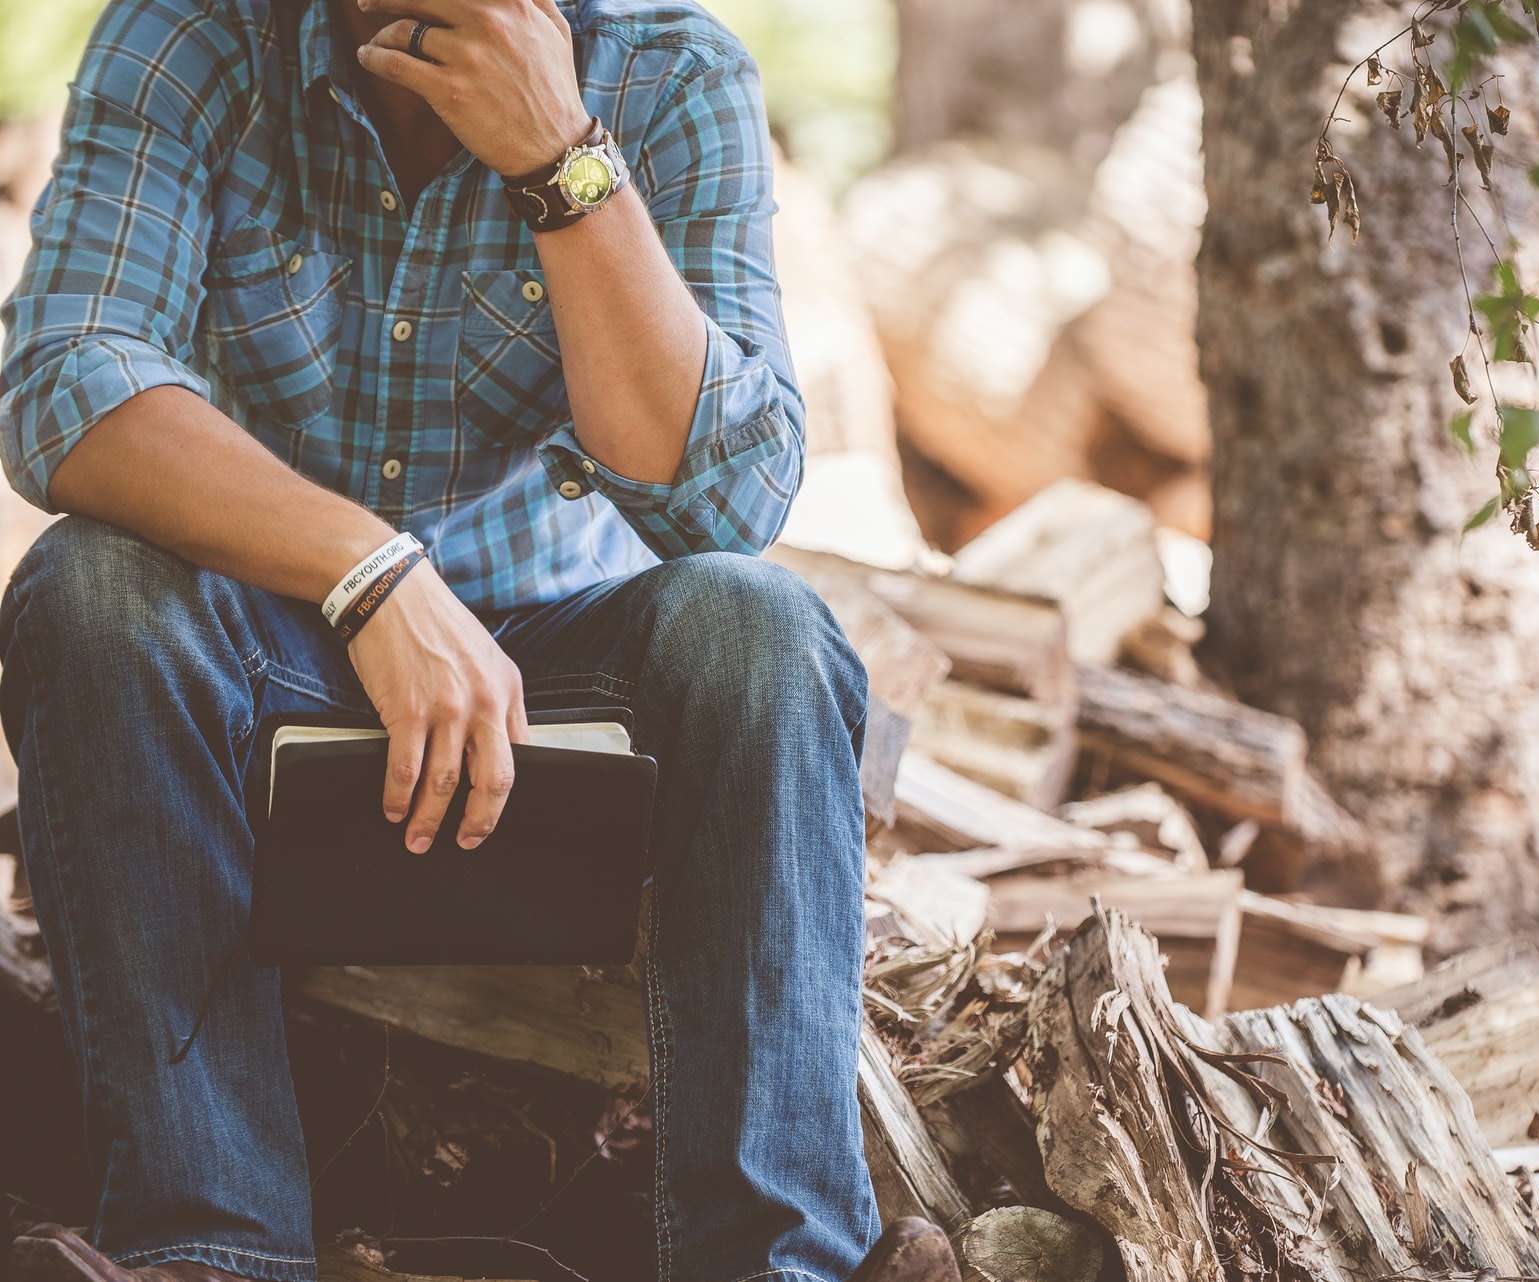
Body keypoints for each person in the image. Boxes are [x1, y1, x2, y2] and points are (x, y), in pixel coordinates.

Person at [0, 1, 958, 1280]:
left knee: (761, 629)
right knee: (90, 588)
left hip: (559, 693)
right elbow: (66, 381)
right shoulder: (190, 37)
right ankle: (210, 1247)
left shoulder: (674, 69)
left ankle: (779, 1261)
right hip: (259, 667)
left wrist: (562, 161)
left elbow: (729, 502)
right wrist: (369, 572)